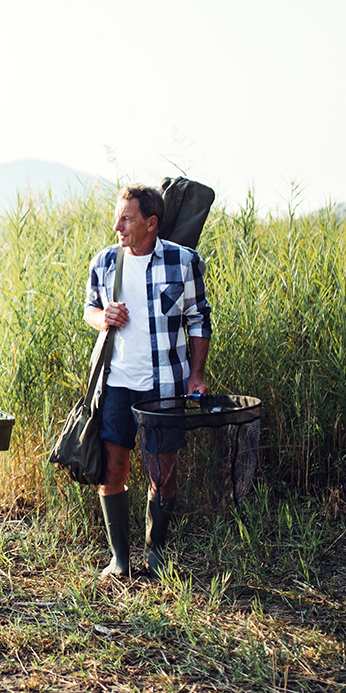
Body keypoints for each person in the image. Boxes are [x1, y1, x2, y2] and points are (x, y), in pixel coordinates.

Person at [84, 184, 211, 579]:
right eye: (117, 217)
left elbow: (199, 319)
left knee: (163, 473)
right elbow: (88, 308)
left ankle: (155, 556)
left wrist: (196, 374)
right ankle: (120, 560)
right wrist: (102, 317)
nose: (117, 226)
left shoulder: (183, 261)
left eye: (126, 218)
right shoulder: (105, 261)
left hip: (165, 385)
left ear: (151, 223)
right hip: (117, 382)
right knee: (112, 472)